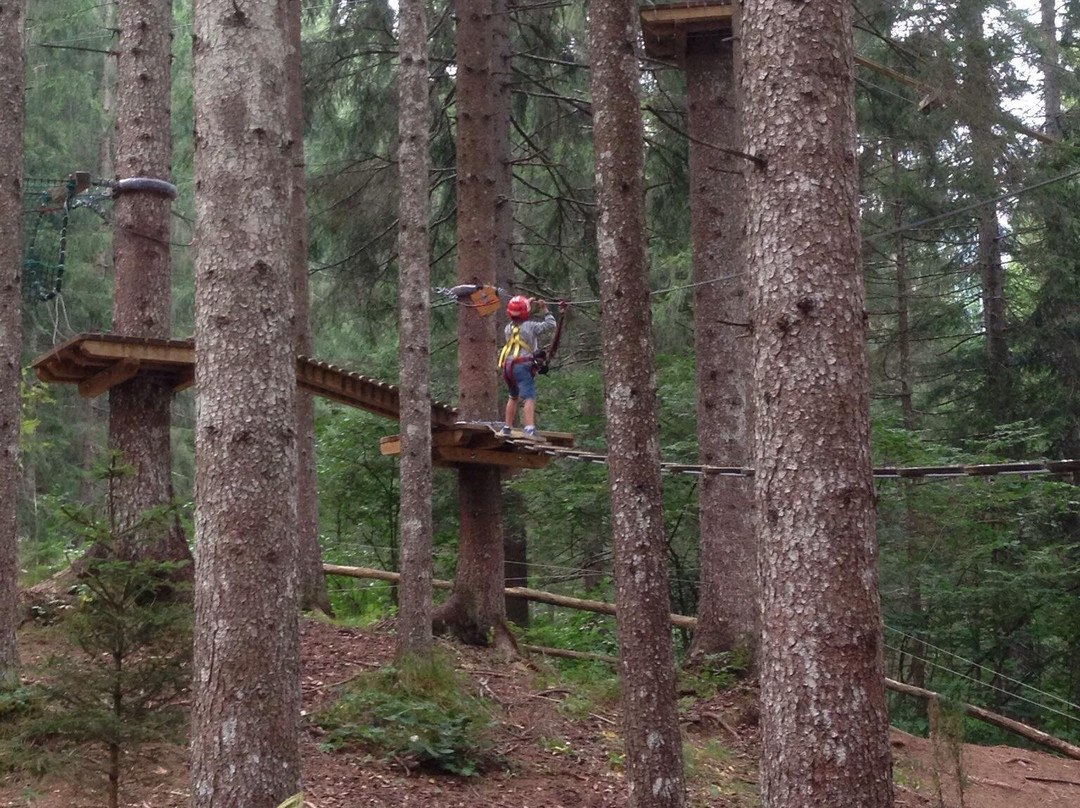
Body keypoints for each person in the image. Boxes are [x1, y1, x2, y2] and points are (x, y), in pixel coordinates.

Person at [498, 295, 558, 436]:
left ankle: (507, 427)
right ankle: (529, 428)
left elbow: (520, 316)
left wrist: (526, 304)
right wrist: (545, 310)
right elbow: (551, 325)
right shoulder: (532, 327)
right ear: (525, 312)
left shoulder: (508, 328)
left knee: (513, 396)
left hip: (507, 366)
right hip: (522, 366)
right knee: (528, 397)